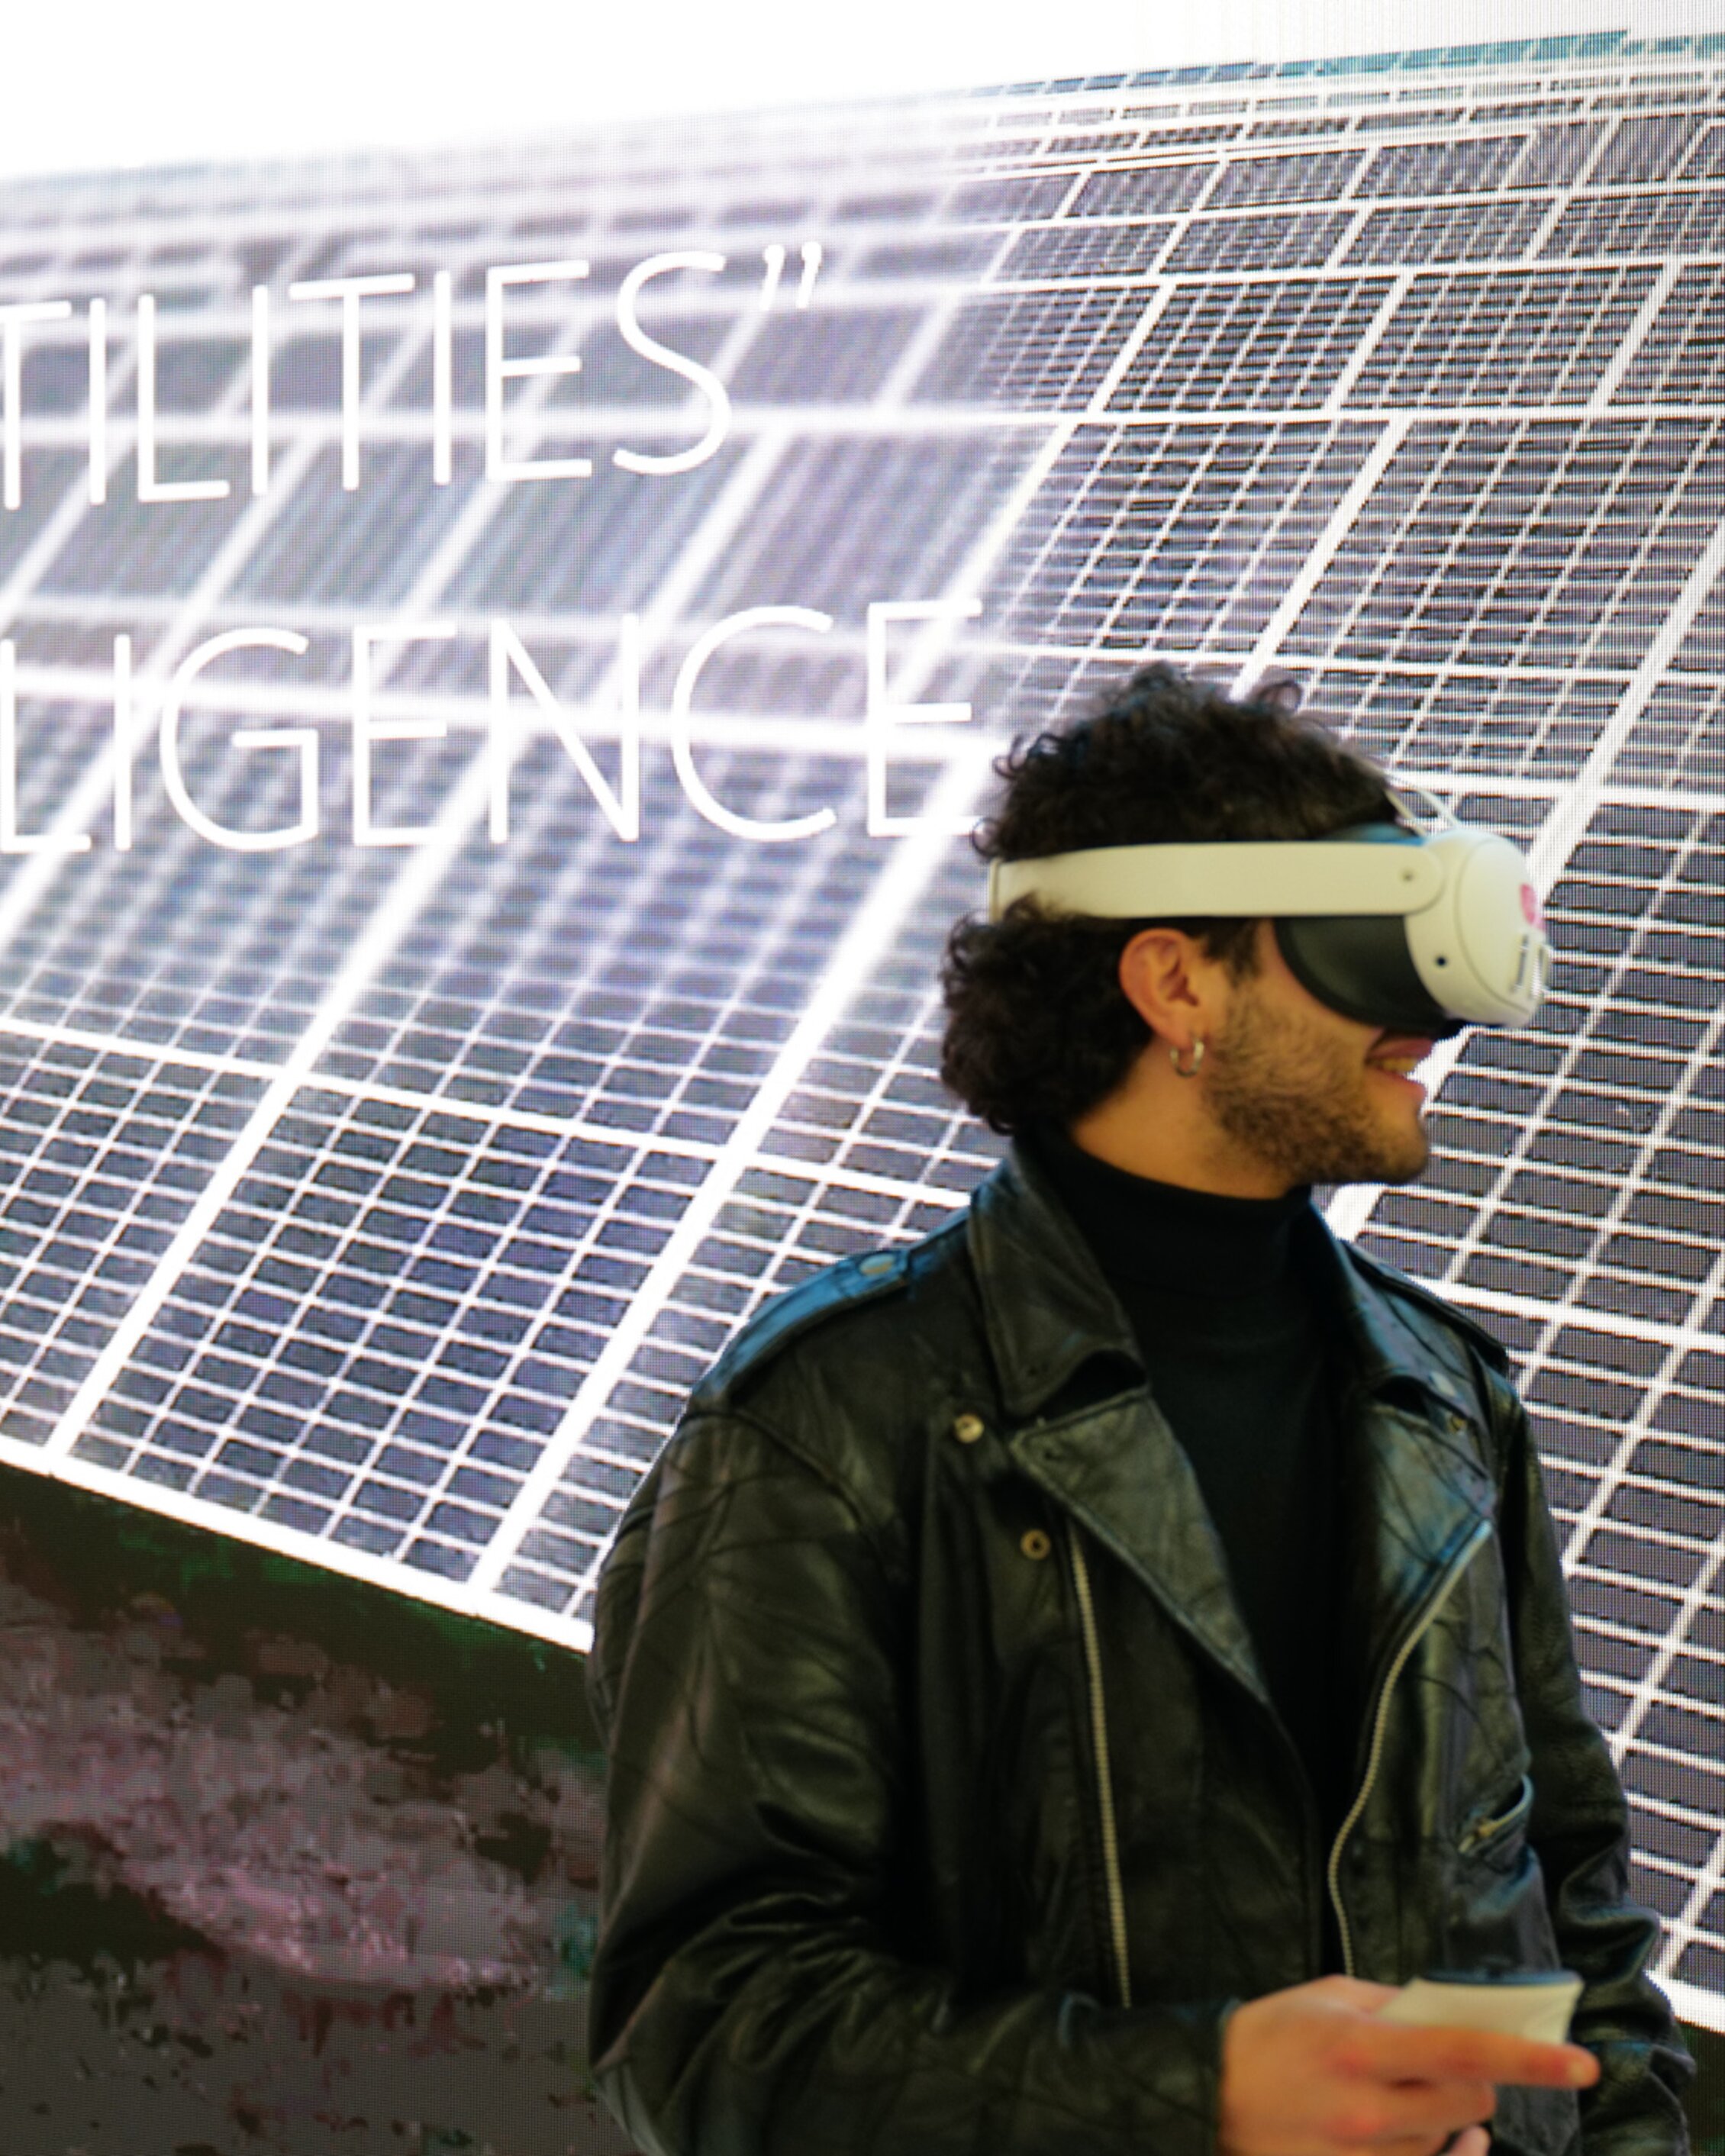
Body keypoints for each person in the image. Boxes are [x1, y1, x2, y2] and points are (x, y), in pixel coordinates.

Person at [585, 666, 1693, 2156]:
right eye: (1363, 945)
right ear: (1175, 985)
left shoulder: (1443, 1401)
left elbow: (1572, 1918)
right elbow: (706, 2030)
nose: (1430, 1014)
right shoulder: (833, 1427)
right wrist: (1201, 2094)